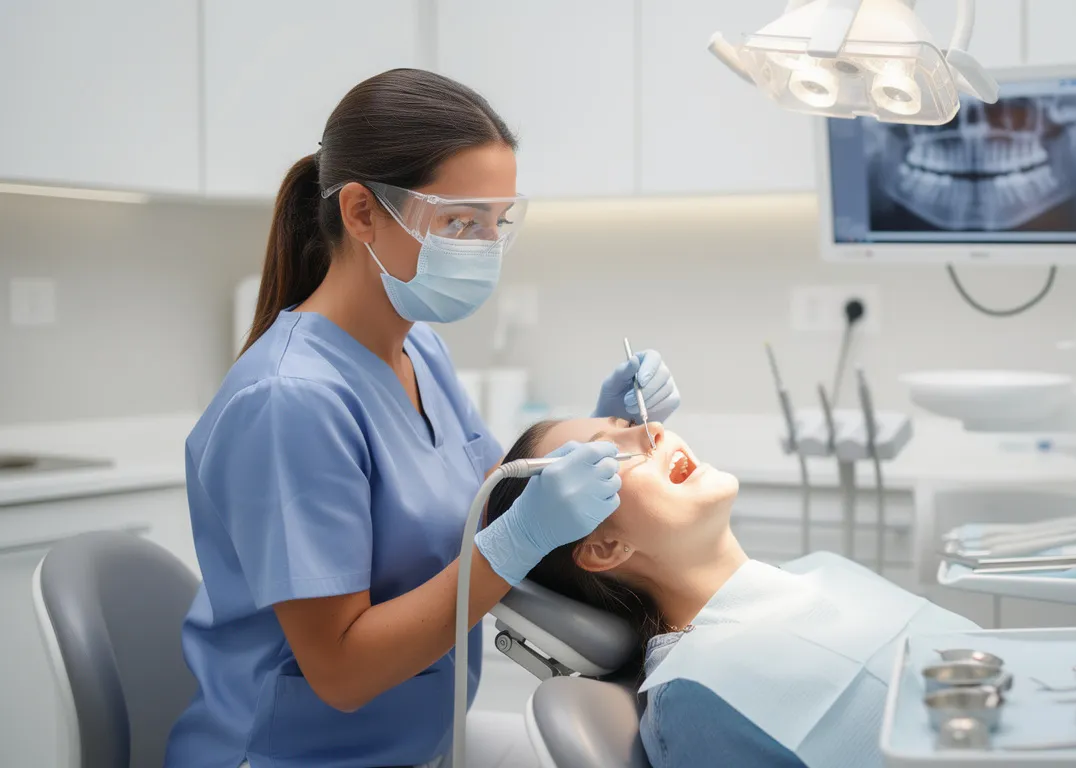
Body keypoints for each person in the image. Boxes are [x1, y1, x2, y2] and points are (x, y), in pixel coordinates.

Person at [165, 68, 681, 768]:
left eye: (497, 224)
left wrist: (598, 429)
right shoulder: (291, 402)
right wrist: (519, 539)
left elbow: (485, 499)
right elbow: (341, 672)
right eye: (459, 223)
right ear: (361, 213)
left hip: (416, 744)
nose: (484, 248)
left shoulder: (420, 351)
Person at [483, 417, 981, 768]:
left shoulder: (822, 571)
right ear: (605, 547)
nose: (652, 429)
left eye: (627, 419)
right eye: (606, 453)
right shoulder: (694, 696)